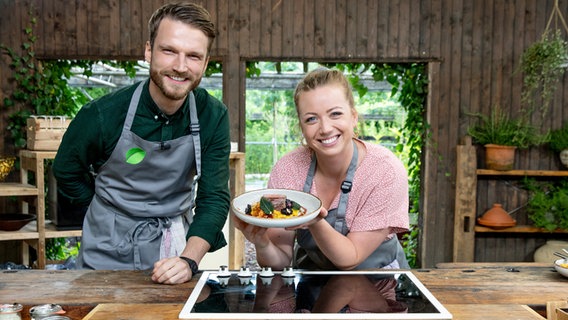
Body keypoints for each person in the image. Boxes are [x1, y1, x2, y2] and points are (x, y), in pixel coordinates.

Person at [53, 2, 230, 284]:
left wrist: (188, 261)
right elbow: (66, 170)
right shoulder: (102, 115)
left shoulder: (213, 116)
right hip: (104, 252)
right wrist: (103, 212)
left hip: (171, 254)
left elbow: (214, 199)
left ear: (206, 63)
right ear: (149, 51)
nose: (181, 66)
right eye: (169, 50)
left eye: (194, 56)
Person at [234, 68, 410, 271]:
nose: (325, 128)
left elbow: (350, 258)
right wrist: (261, 242)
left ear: (353, 117)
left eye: (335, 114)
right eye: (311, 119)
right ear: (301, 127)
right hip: (312, 286)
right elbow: (280, 260)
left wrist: (311, 218)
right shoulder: (288, 169)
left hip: (378, 285)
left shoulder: (384, 170)